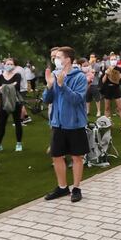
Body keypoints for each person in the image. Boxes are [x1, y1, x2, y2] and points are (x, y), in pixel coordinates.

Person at [42, 47, 88, 202]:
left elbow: (77, 99)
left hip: (74, 124)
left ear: (68, 59)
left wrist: (62, 86)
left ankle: (76, 188)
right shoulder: (54, 75)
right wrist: (49, 86)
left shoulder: (79, 77)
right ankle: (62, 188)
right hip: (58, 124)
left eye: (58, 56)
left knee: (76, 157)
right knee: (56, 156)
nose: (56, 59)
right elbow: (47, 100)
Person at [0, 58, 24, 153]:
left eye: (11, 64)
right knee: (1, 124)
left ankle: (19, 144)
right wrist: (9, 86)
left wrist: (3, 87)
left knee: (17, 122)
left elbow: (17, 87)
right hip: (4, 103)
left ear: (14, 66)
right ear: (4, 65)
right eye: (7, 63)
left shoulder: (17, 75)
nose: (9, 65)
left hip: (15, 102)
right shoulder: (0, 77)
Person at [101, 54, 121, 131]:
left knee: (120, 107)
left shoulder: (119, 69)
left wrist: (112, 73)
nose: (113, 61)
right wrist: (106, 74)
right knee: (107, 108)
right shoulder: (106, 69)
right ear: (109, 60)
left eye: (114, 59)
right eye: (112, 59)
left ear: (117, 60)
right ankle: (107, 124)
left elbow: (119, 80)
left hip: (116, 89)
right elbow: (103, 81)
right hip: (107, 89)